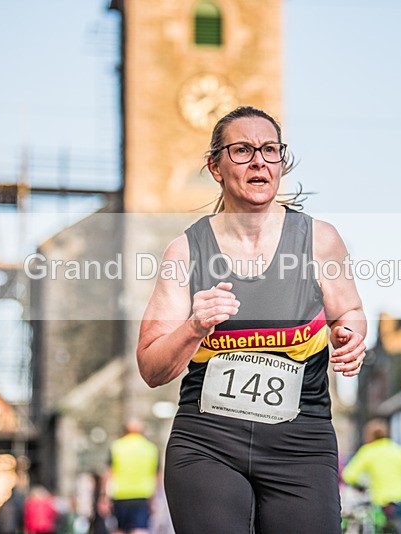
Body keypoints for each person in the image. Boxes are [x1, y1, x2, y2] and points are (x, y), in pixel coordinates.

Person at [137, 105, 367, 534]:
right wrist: (193, 326)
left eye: (270, 150)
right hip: (208, 444)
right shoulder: (185, 252)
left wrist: (350, 335)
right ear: (215, 167)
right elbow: (151, 368)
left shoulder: (320, 240)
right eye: (242, 150)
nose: (259, 160)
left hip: (300, 444)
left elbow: (349, 311)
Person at [342, 418, 401, 534]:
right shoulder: (398, 450)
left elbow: (348, 475)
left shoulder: (368, 451)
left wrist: (364, 485)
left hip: (381, 505)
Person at [100, 418, 159, 534]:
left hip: (120, 496)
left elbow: (108, 473)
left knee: (119, 529)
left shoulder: (116, 446)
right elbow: (156, 476)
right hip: (143, 496)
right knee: (140, 529)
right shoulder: (151, 448)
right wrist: (155, 499)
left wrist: (104, 497)